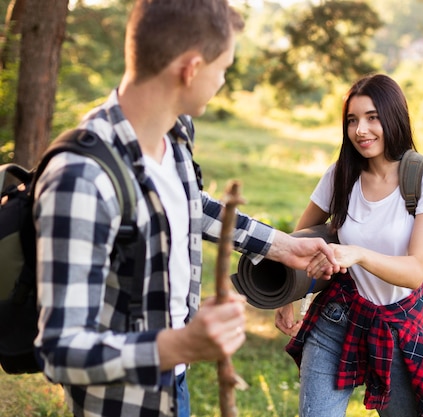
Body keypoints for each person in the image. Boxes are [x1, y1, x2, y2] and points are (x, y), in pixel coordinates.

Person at [32, 1, 340, 416]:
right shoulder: (82, 177)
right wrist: (180, 343)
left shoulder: (175, 132)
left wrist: (281, 246)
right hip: (118, 403)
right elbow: (61, 349)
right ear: (191, 69)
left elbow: (191, 204)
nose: (224, 80)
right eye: (224, 67)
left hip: (175, 383)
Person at [274, 74, 423, 417]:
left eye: (372, 117)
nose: (361, 130)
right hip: (338, 314)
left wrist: (357, 254)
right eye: (352, 120)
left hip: (399, 324)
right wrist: (289, 294)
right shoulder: (340, 175)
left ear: (393, 116)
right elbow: (295, 244)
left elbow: (415, 271)